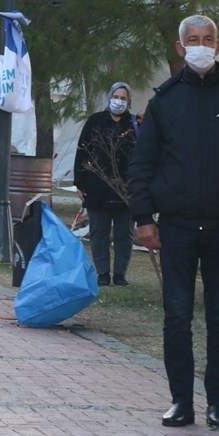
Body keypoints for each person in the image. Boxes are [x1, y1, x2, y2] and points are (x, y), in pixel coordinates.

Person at [127, 14, 219, 431]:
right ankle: (180, 401)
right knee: (176, 316)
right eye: (192, 39)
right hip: (174, 226)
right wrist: (143, 217)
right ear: (180, 47)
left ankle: (218, 404)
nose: (200, 45)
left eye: (207, 39)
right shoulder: (164, 102)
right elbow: (142, 165)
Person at [74, 82, 138, 287]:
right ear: (109, 97)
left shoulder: (134, 124)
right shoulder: (95, 121)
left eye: (123, 98)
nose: (118, 101)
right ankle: (102, 273)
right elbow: (82, 152)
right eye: (116, 96)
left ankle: (120, 274)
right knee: (99, 233)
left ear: (128, 101)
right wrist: (80, 183)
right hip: (97, 187)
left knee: (124, 235)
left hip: (126, 189)